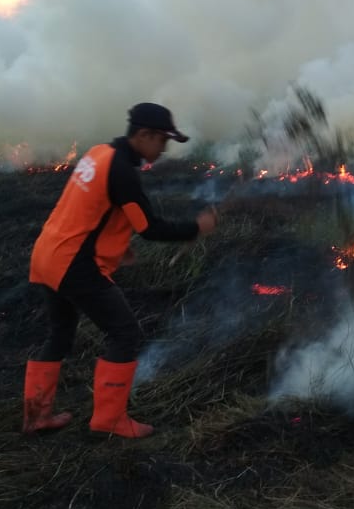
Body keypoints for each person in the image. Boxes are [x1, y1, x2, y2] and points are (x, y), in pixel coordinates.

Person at [22, 102, 218, 438]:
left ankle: (36, 417)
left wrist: (114, 243)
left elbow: (88, 208)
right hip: (74, 265)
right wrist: (196, 228)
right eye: (162, 140)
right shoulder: (123, 172)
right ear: (144, 135)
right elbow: (149, 227)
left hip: (47, 254)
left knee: (60, 335)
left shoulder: (100, 153)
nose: (164, 148)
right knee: (125, 334)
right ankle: (110, 420)